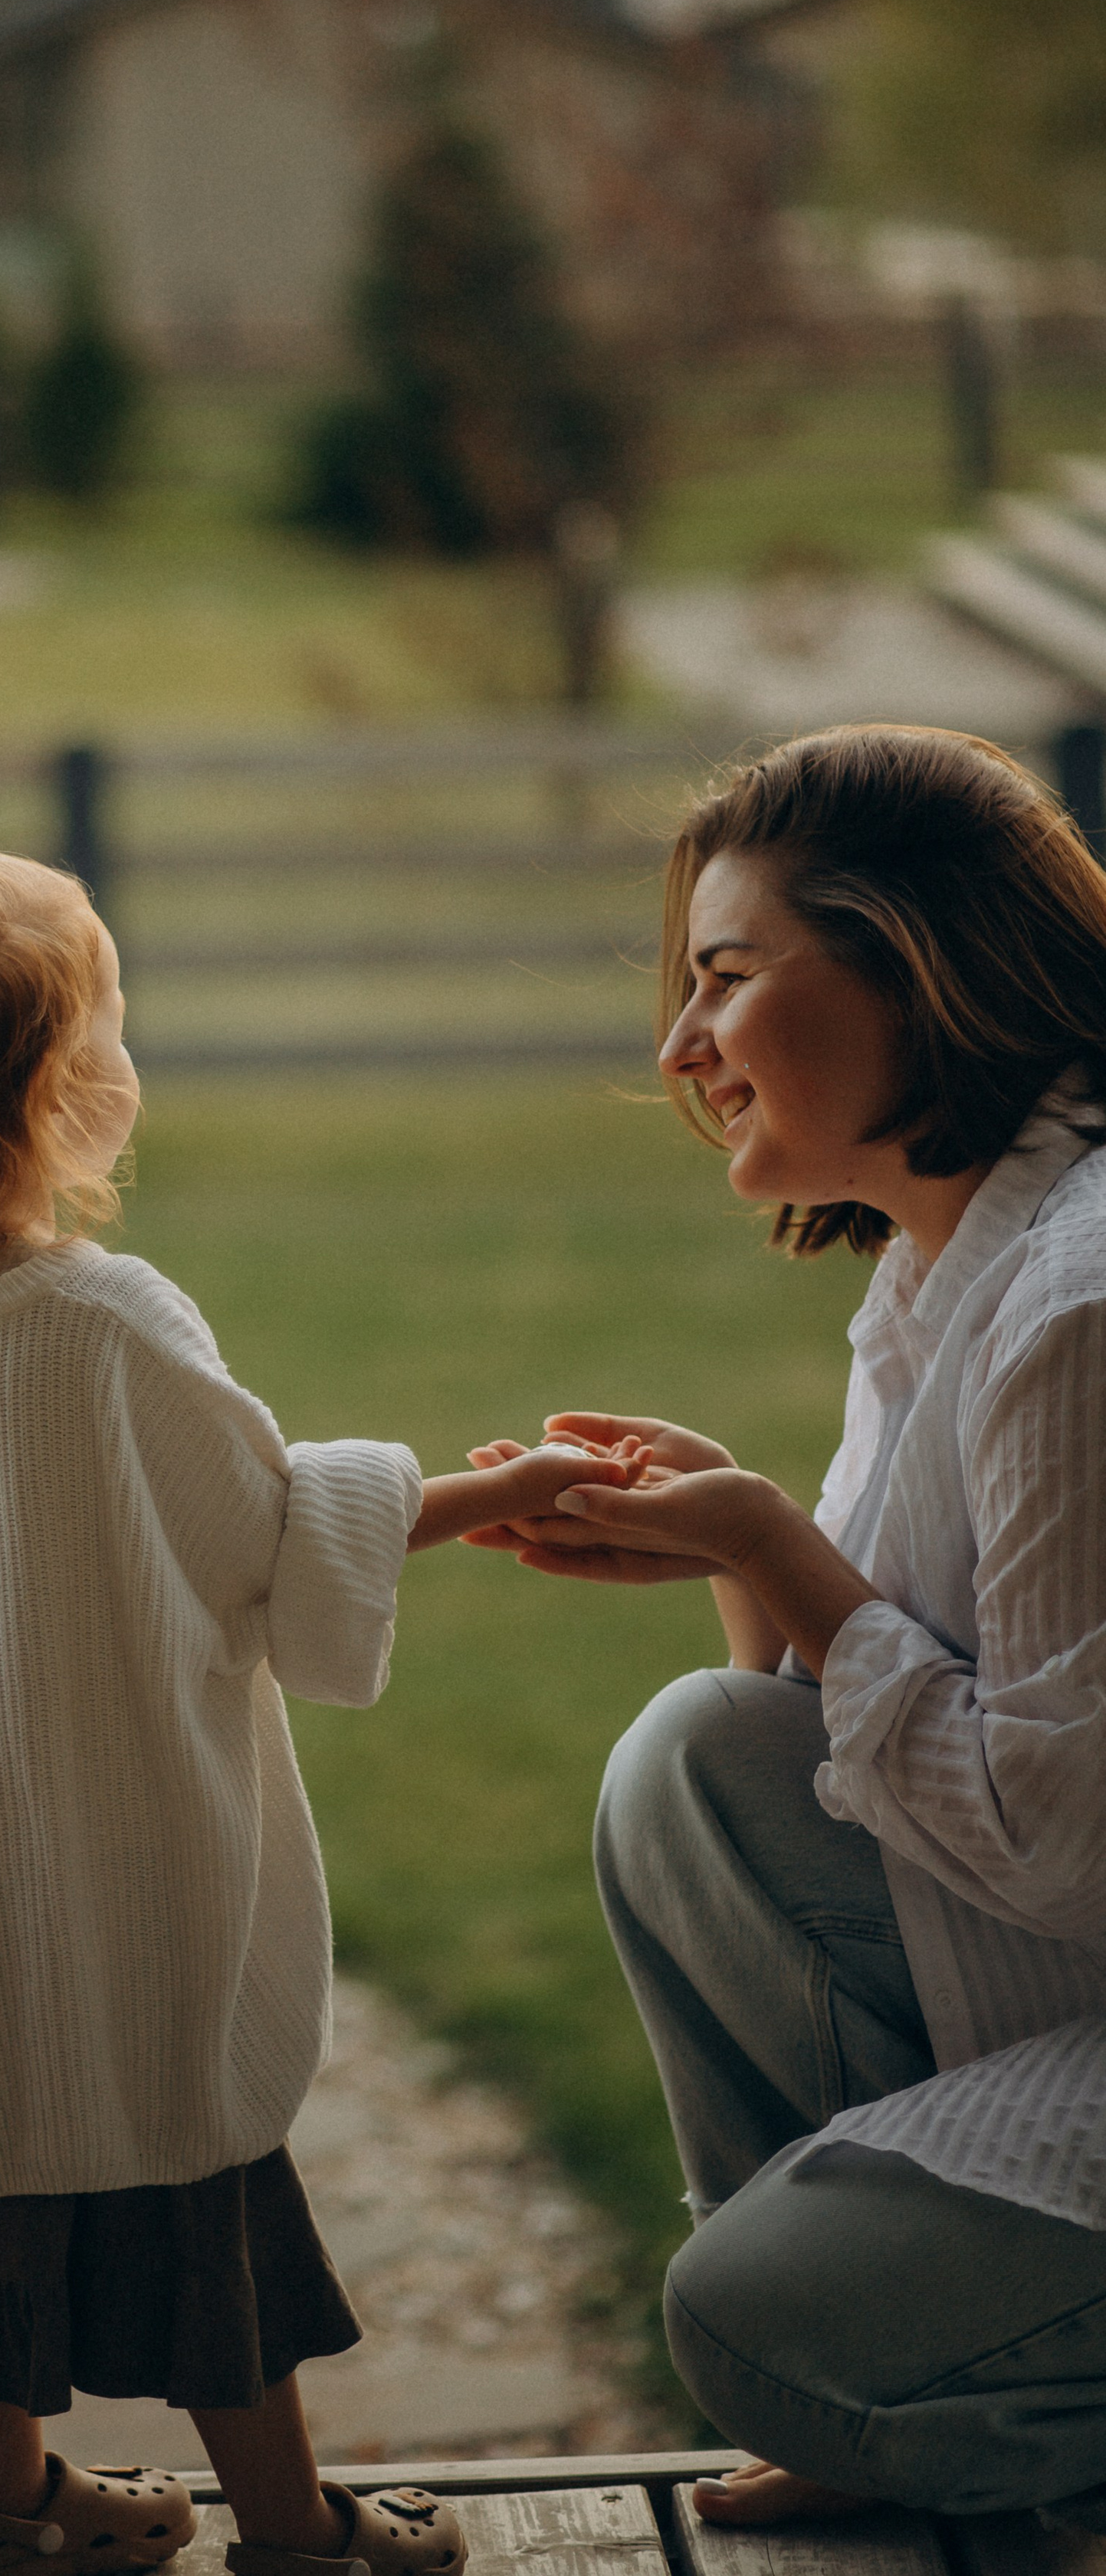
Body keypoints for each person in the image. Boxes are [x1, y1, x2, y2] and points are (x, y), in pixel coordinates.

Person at [0, 831, 647, 2576]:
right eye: (106, 1021)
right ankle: (294, 2529)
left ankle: (2, 2509)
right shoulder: (105, 1322)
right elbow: (265, 1526)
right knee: (198, 2193)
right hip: (111, 1877)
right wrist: (503, 1483)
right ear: (64, 1084)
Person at [469, 725, 1106, 2524]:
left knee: (745, 2324)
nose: (678, 1049)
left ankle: (896, 2381)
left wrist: (772, 1540)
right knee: (689, 1761)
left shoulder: (1077, 1302)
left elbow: (1061, 1840)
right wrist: (744, 1550)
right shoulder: (934, 1269)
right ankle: (884, 2388)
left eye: (725, 981)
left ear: (919, 969)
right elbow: (811, 1742)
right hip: (1055, 1969)